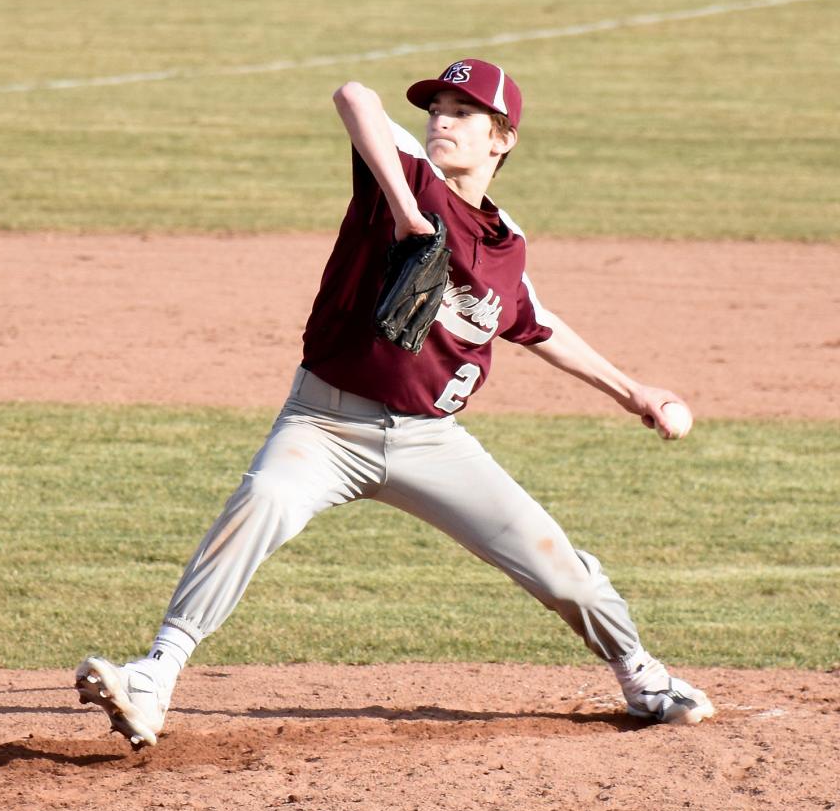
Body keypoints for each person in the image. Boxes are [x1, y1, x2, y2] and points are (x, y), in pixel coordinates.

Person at [75, 58, 714, 748]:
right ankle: (154, 678)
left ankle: (640, 672)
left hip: (431, 442)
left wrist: (633, 391)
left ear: (502, 139)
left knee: (558, 564)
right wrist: (408, 213)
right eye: (436, 108)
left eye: (463, 112)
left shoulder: (507, 241)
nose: (442, 120)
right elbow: (354, 96)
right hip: (323, 424)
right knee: (259, 502)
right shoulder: (405, 176)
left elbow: (533, 320)